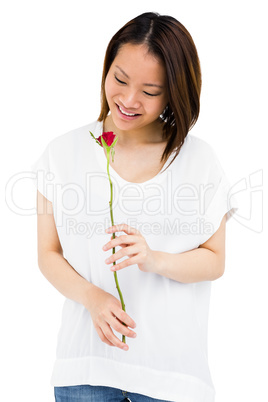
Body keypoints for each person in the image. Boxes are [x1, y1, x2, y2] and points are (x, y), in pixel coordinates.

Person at [32, 12, 238, 402]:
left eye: (150, 90)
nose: (128, 100)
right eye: (120, 79)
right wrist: (93, 298)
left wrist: (154, 259)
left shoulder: (198, 160)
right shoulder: (63, 152)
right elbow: (48, 255)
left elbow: (215, 261)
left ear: (174, 91)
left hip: (173, 375)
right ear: (106, 68)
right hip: (86, 367)